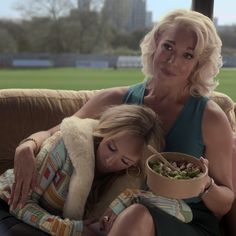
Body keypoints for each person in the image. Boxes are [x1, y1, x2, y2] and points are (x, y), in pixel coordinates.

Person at [11, 9, 234, 236]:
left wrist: (204, 185)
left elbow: (225, 202)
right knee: (133, 214)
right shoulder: (115, 100)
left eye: (188, 55)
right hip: (118, 216)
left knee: (136, 214)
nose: (172, 60)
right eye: (168, 46)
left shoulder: (210, 118)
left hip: (189, 222)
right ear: (156, 43)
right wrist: (26, 146)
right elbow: (56, 133)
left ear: (199, 64)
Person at [0, 104, 164, 235]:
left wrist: (134, 194)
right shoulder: (63, 146)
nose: (110, 160)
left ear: (135, 164)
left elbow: (185, 213)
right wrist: (71, 229)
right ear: (104, 132)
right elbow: (19, 205)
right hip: (7, 209)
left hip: (50, 226)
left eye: (125, 160)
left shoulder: (127, 181)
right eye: (111, 147)